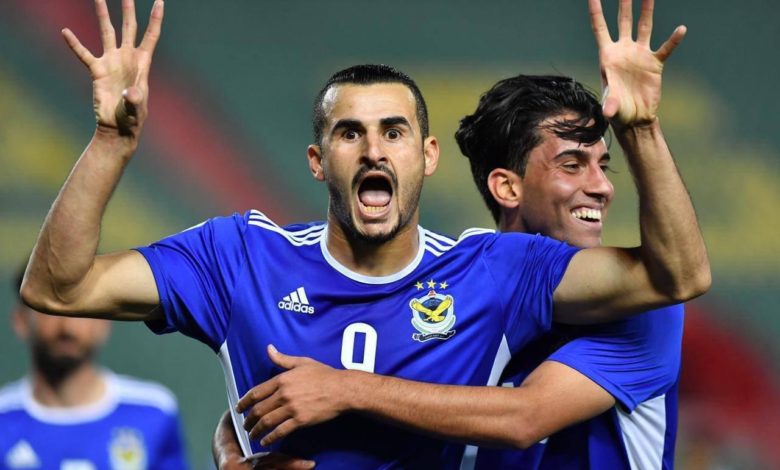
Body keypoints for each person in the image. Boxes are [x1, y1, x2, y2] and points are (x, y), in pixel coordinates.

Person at [21, 0, 708, 468]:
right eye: (350, 133)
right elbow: (58, 288)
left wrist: (644, 128)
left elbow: (524, 414)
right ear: (318, 161)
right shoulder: (240, 258)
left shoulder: (492, 275)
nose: (374, 149)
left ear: (426, 157)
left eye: (394, 132)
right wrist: (109, 142)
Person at [212, 1, 686, 467]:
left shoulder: (641, 306)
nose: (603, 187)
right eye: (572, 164)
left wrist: (641, 127)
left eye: (602, 166)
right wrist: (233, 447)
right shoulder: (460, 291)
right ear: (506, 187)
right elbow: (321, 387)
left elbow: (524, 417)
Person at [1, 267, 188, 470]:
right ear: (21, 321)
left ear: (104, 320)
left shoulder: (153, 411)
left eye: (81, 307)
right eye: (49, 309)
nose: (67, 327)